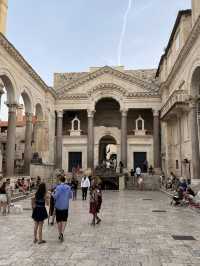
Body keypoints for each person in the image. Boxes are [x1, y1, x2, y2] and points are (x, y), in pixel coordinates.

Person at [54, 175, 72, 242]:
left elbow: (55, 196)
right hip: (65, 206)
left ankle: (59, 233)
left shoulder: (58, 187)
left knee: (59, 220)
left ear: (60, 180)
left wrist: (53, 194)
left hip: (58, 206)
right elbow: (70, 196)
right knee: (64, 220)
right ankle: (62, 233)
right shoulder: (68, 187)